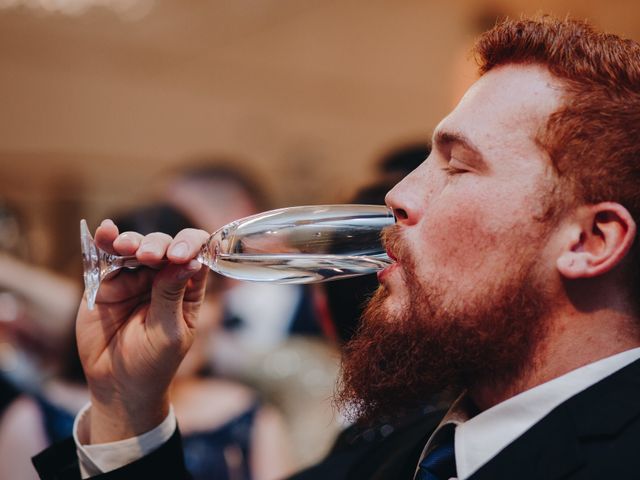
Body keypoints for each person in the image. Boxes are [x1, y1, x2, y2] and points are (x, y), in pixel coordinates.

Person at [33, 15, 640, 479]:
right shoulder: (400, 449)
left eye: (457, 167)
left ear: (590, 241)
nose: (398, 196)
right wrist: (127, 406)